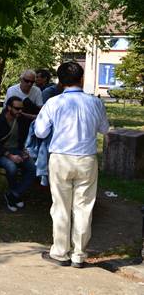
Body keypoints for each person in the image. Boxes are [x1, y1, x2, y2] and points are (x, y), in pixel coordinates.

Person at [35, 62, 110, 268]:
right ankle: (79, 254)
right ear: (82, 78)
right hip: (86, 158)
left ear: (60, 82)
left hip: (61, 157)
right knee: (84, 207)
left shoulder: (53, 102)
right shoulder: (95, 102)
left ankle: (60, 252)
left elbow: (40, 131)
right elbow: (105, 128)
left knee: (60, 206)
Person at [0, 96, 36, 212]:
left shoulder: (21, 120)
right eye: (17, 108)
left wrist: (25, 151)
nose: (20, 111)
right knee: (11, 167)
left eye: (21, 109)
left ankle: (13, 194)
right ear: (9, 107)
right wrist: (10, 156)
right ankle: (14, 196)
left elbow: (24, 138)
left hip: (17, 150)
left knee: (33, 168)